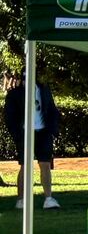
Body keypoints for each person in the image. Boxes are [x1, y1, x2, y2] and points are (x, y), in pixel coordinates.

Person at [5, 62, 61, 209]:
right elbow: (9, 116)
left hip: (43, 132)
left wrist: (53, 130)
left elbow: (52, 110)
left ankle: (48, 199)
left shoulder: (43, 90)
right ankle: (21, 200)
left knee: (45, 165)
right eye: (24, 76)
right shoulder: (15, 94)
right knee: (25, 166)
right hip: (24, 133)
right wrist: (17, 134)